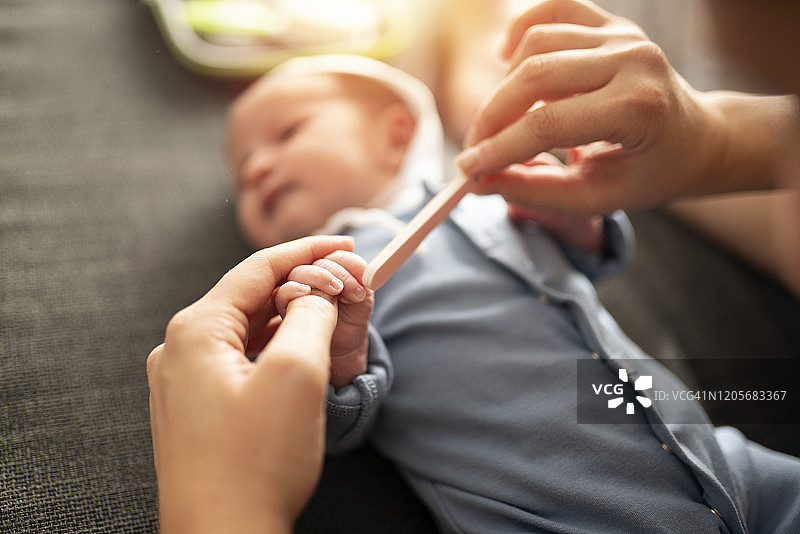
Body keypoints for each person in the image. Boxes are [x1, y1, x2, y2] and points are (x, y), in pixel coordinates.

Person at [148, 1, 800, 532]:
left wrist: (577, 225)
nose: (257, 168)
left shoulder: (491, 196)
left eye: (287, 134)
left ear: (396, 132)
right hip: (560, 512)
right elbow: (313, 420)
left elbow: (588, 267)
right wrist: (341, 359)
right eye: (243, 172)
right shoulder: (327, 277)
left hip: (720, 460)